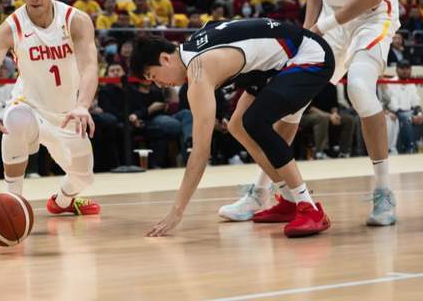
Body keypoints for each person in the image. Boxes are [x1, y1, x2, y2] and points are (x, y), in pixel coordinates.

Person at [221, 0, 401, 227]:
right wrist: (307, 30)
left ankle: (384, 191)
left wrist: (323, 26)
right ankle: (263, 192)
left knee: (360, 88)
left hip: (373, 15)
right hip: (330, 21)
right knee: (290, 102)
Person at [131, 17, 335, 238]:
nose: (159, 85)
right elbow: (220, 24)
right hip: (274, 62)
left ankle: (309, 207)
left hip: (309, 56)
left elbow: (200, 152)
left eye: (154, 77)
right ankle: (289, 199)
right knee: (237, 125)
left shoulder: (198, 72)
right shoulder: (193, 42)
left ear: (165, 58)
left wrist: (177, 211)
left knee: (255, 122)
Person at [0, 0, 100, 218]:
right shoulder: (10, 27)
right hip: (30, 106)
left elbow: (89, 66)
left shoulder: (76, 20)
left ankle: (62, 202)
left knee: (83, 177)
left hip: (67, 113)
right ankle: (13, 202)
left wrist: (83, 105)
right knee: (15, 119)